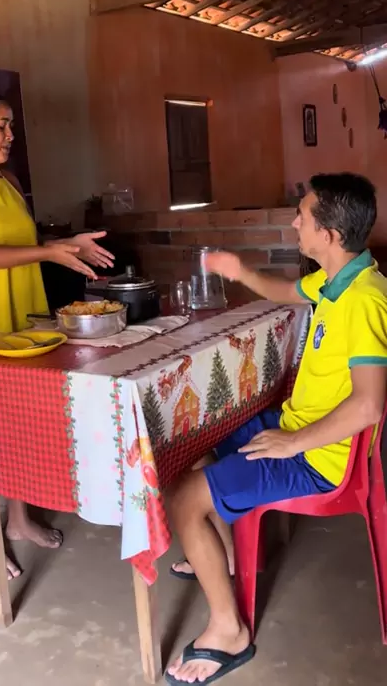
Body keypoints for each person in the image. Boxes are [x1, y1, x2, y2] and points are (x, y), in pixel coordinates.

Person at [166, 172, 387, 685]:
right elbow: (285, 290)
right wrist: (239, 270)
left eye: (301, 217)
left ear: (328, 234)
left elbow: (370, 405)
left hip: (320, 459)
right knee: (196, 445)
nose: (294, 223)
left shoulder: (365, 299)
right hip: (298, 427)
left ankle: (229, 631)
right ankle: (224, 557)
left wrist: (292, 443)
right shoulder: (337, 278)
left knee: (183, 500)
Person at [0, 85, 115, 580]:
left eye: (10, 125)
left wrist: (64, 244)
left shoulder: (7, 179)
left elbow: (21, 241)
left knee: (21, 423)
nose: (11, 134)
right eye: (1, 125)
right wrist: (48, 253)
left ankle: (19, 519)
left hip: (23, 315)